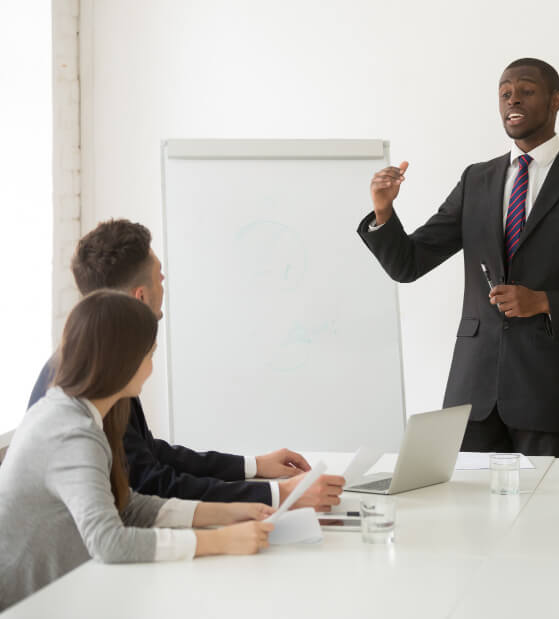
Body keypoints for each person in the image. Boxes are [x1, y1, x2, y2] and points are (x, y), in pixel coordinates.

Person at [357, 58, 559, 457]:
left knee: (545, 515)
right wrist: (384, 212)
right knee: (464, 515)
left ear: (556, 100)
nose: (513, 100)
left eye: (526, 90)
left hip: (547, 395)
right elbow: (409, 264)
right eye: (505, 93)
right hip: (471, 396)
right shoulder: (477, 180)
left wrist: (542, 301)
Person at [27, 219, 344, 510]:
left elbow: (150, 456)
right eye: (160, 279)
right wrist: (280, 494)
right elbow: (150, 484)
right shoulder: (94, 377)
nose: (164, 289)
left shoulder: (92, 356)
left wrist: (254, 465)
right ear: (140, 297)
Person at [1, 291, 275, 610]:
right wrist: (220, 541)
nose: (150, 369)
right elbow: (109, 542)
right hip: (30, 604)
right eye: (149, 355)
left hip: (64, 591)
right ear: (123, 360)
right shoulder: (71, 433)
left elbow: (124, 505)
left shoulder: (77, 412)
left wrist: (228, 512)